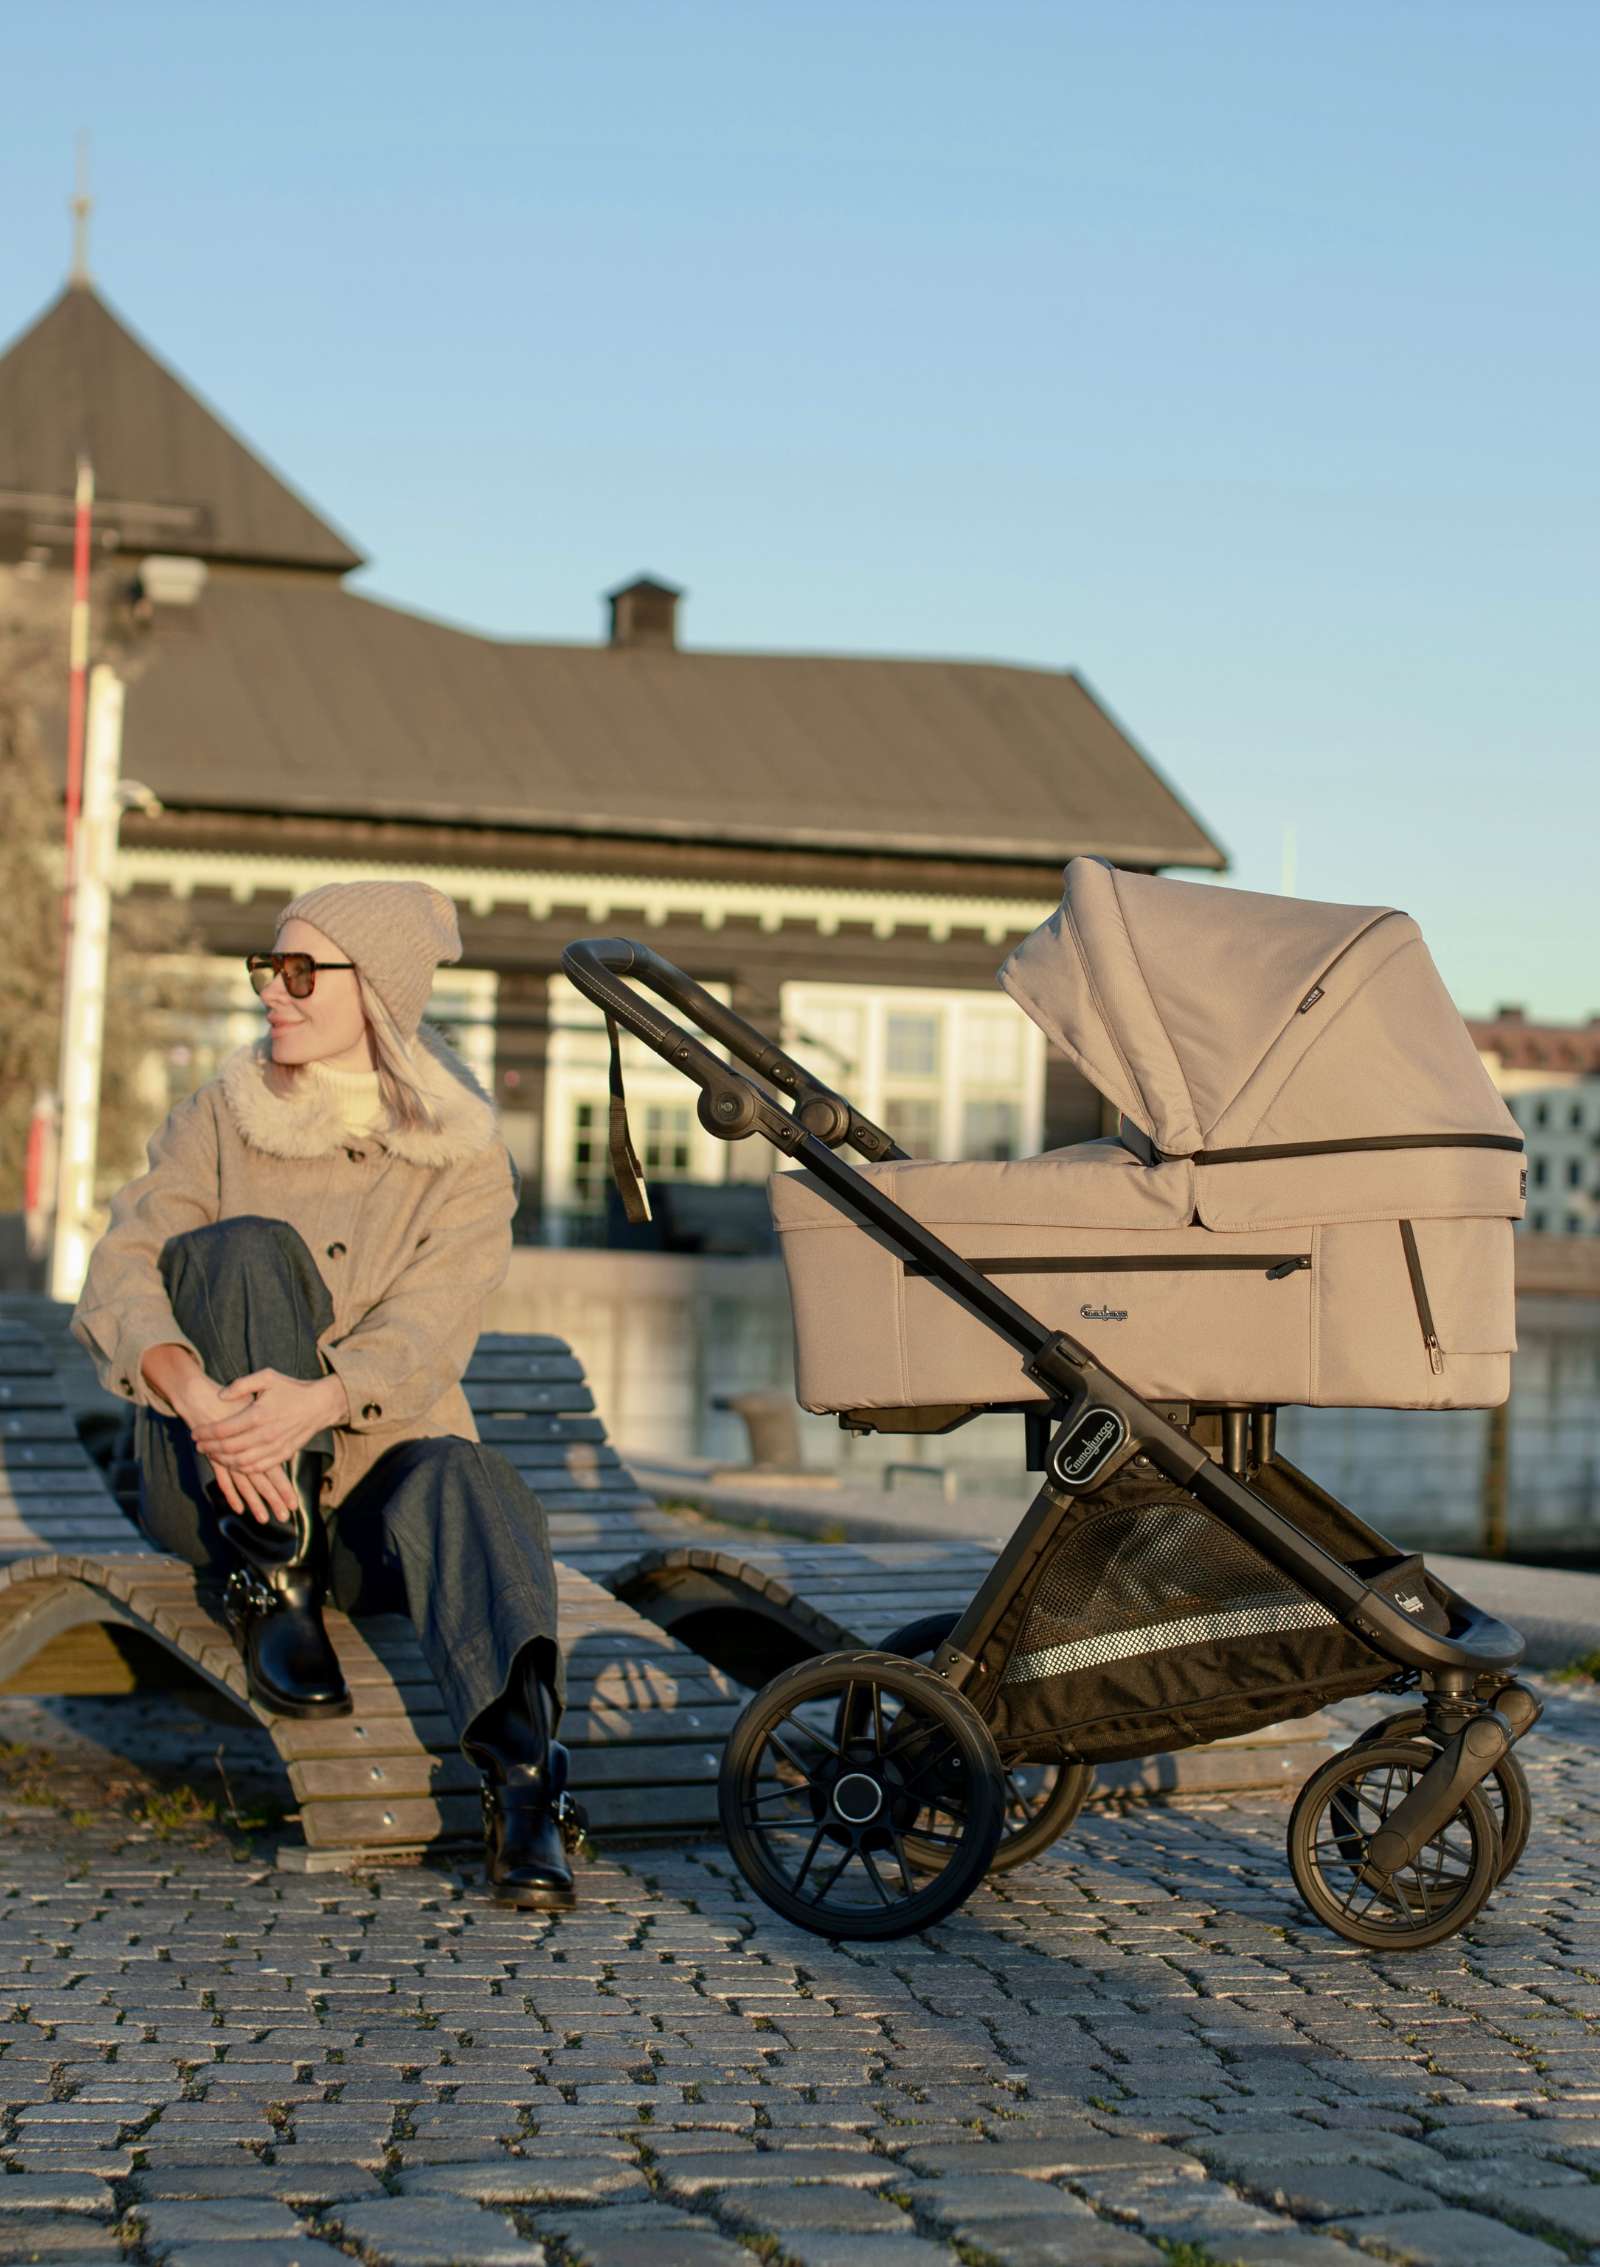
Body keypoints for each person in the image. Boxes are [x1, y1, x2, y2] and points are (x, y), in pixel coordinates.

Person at [69, 878, 580, 1910]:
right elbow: (122, 1263)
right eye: (270, 966)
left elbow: (429, 1330)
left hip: (370, 1504)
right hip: (208, 1478)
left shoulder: (466, 1159)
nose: (273, 989)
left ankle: (527, 1780)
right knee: (245, 1249)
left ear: (376, 989)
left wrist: (324, 1397)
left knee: (470, 1476)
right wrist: (190, 1389)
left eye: (301, 971)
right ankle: (274, 1579)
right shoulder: (221, 1112)